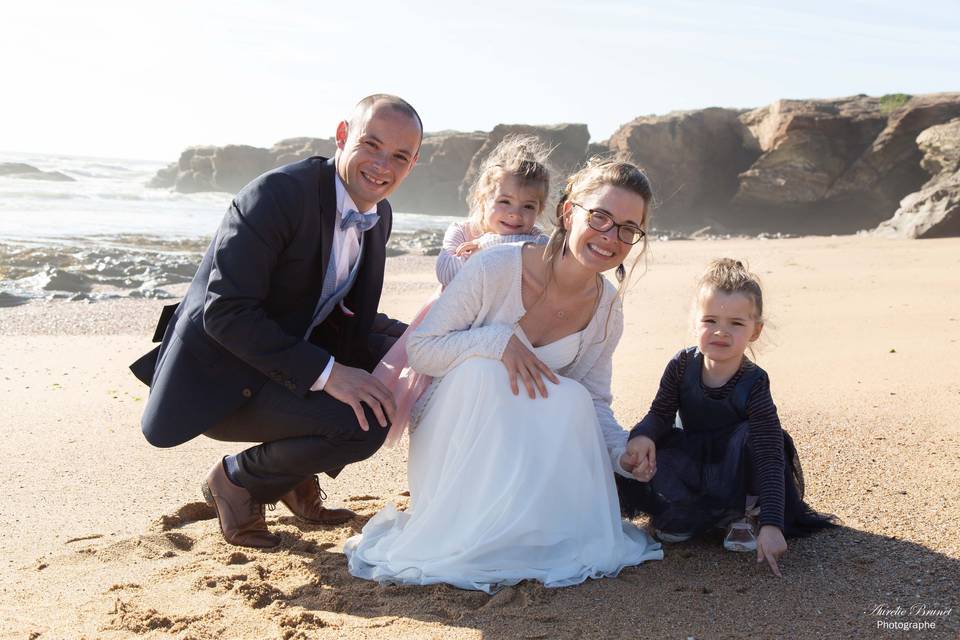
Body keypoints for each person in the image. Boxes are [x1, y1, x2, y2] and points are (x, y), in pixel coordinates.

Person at [344, 158, 664, 592]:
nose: (611, 237)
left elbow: (592, 401)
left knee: (569, 395)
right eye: (600, 217)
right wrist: (495, 341)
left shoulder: (608, 310)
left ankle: (532, 524)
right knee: (484, 372)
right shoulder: (495, 267)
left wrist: (620, 452)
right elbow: (421, 350)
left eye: (629, 228)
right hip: (457, 434)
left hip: (530, 449)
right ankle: (470, 526)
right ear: (569, 213)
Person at [129, 94, 423, 549]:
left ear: (412, 163)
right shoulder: (277, 196)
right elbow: (226, 313)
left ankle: (289, 476)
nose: (383, 165)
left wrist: (427, 338)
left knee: (410, 371)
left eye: (399, 156)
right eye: (371, 145)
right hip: (224, 374)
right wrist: (330, 376)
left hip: (285, 360)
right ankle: (237, 481)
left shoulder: (378, 213)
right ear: (343, 136)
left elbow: (347, 316)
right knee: (364, 422)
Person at [618, 259, 837, 577]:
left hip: (740, 463)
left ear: (755, 330)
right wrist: (643, 435)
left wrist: (774, 524)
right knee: (661, 444)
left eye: (736, 323)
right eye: (710, 320)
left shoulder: (755, 382)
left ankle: (745, 515)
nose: (721, 331)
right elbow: (661, 413)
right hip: (697, 456)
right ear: (695, 323)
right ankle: (685, 511)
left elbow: (768, 456)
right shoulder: (682, 365)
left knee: (751, 437)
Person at [374, 134, 551, 446]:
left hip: (501, 322)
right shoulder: (461, 230)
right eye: (504, 202)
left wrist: (488, 246)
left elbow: (536, 271)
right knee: (435, 393)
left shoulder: (538, 240)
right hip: (452, 323)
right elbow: (448, 272)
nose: (515, 214)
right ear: (483, 199)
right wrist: (493, 254)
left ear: (540, 210)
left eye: (528, 207)